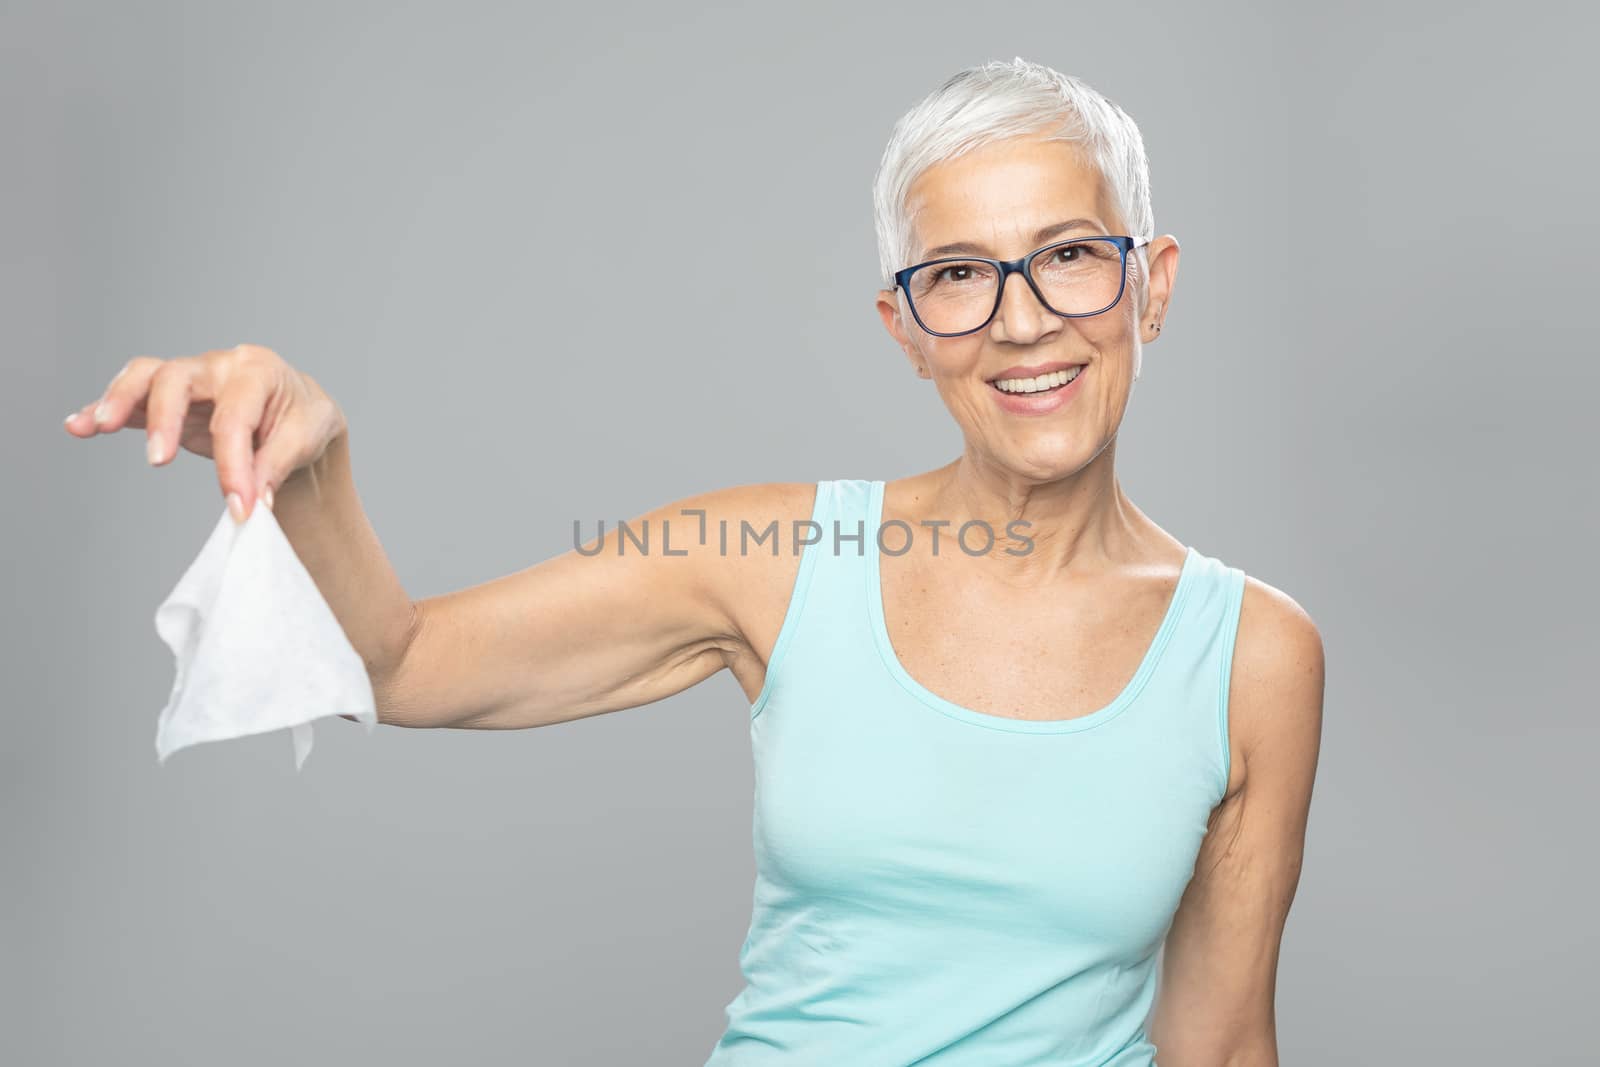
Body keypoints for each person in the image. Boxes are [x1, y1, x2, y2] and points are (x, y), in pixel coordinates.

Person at [64, 56, 1323, 1067]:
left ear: (1148, 285)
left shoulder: (1256, 653)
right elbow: (403, 660)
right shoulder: (777, 557)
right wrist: (316, 467)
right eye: (956, 275)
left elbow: (1217, 1042)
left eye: (1065, 254)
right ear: (904, 329)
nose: (1022, 318)